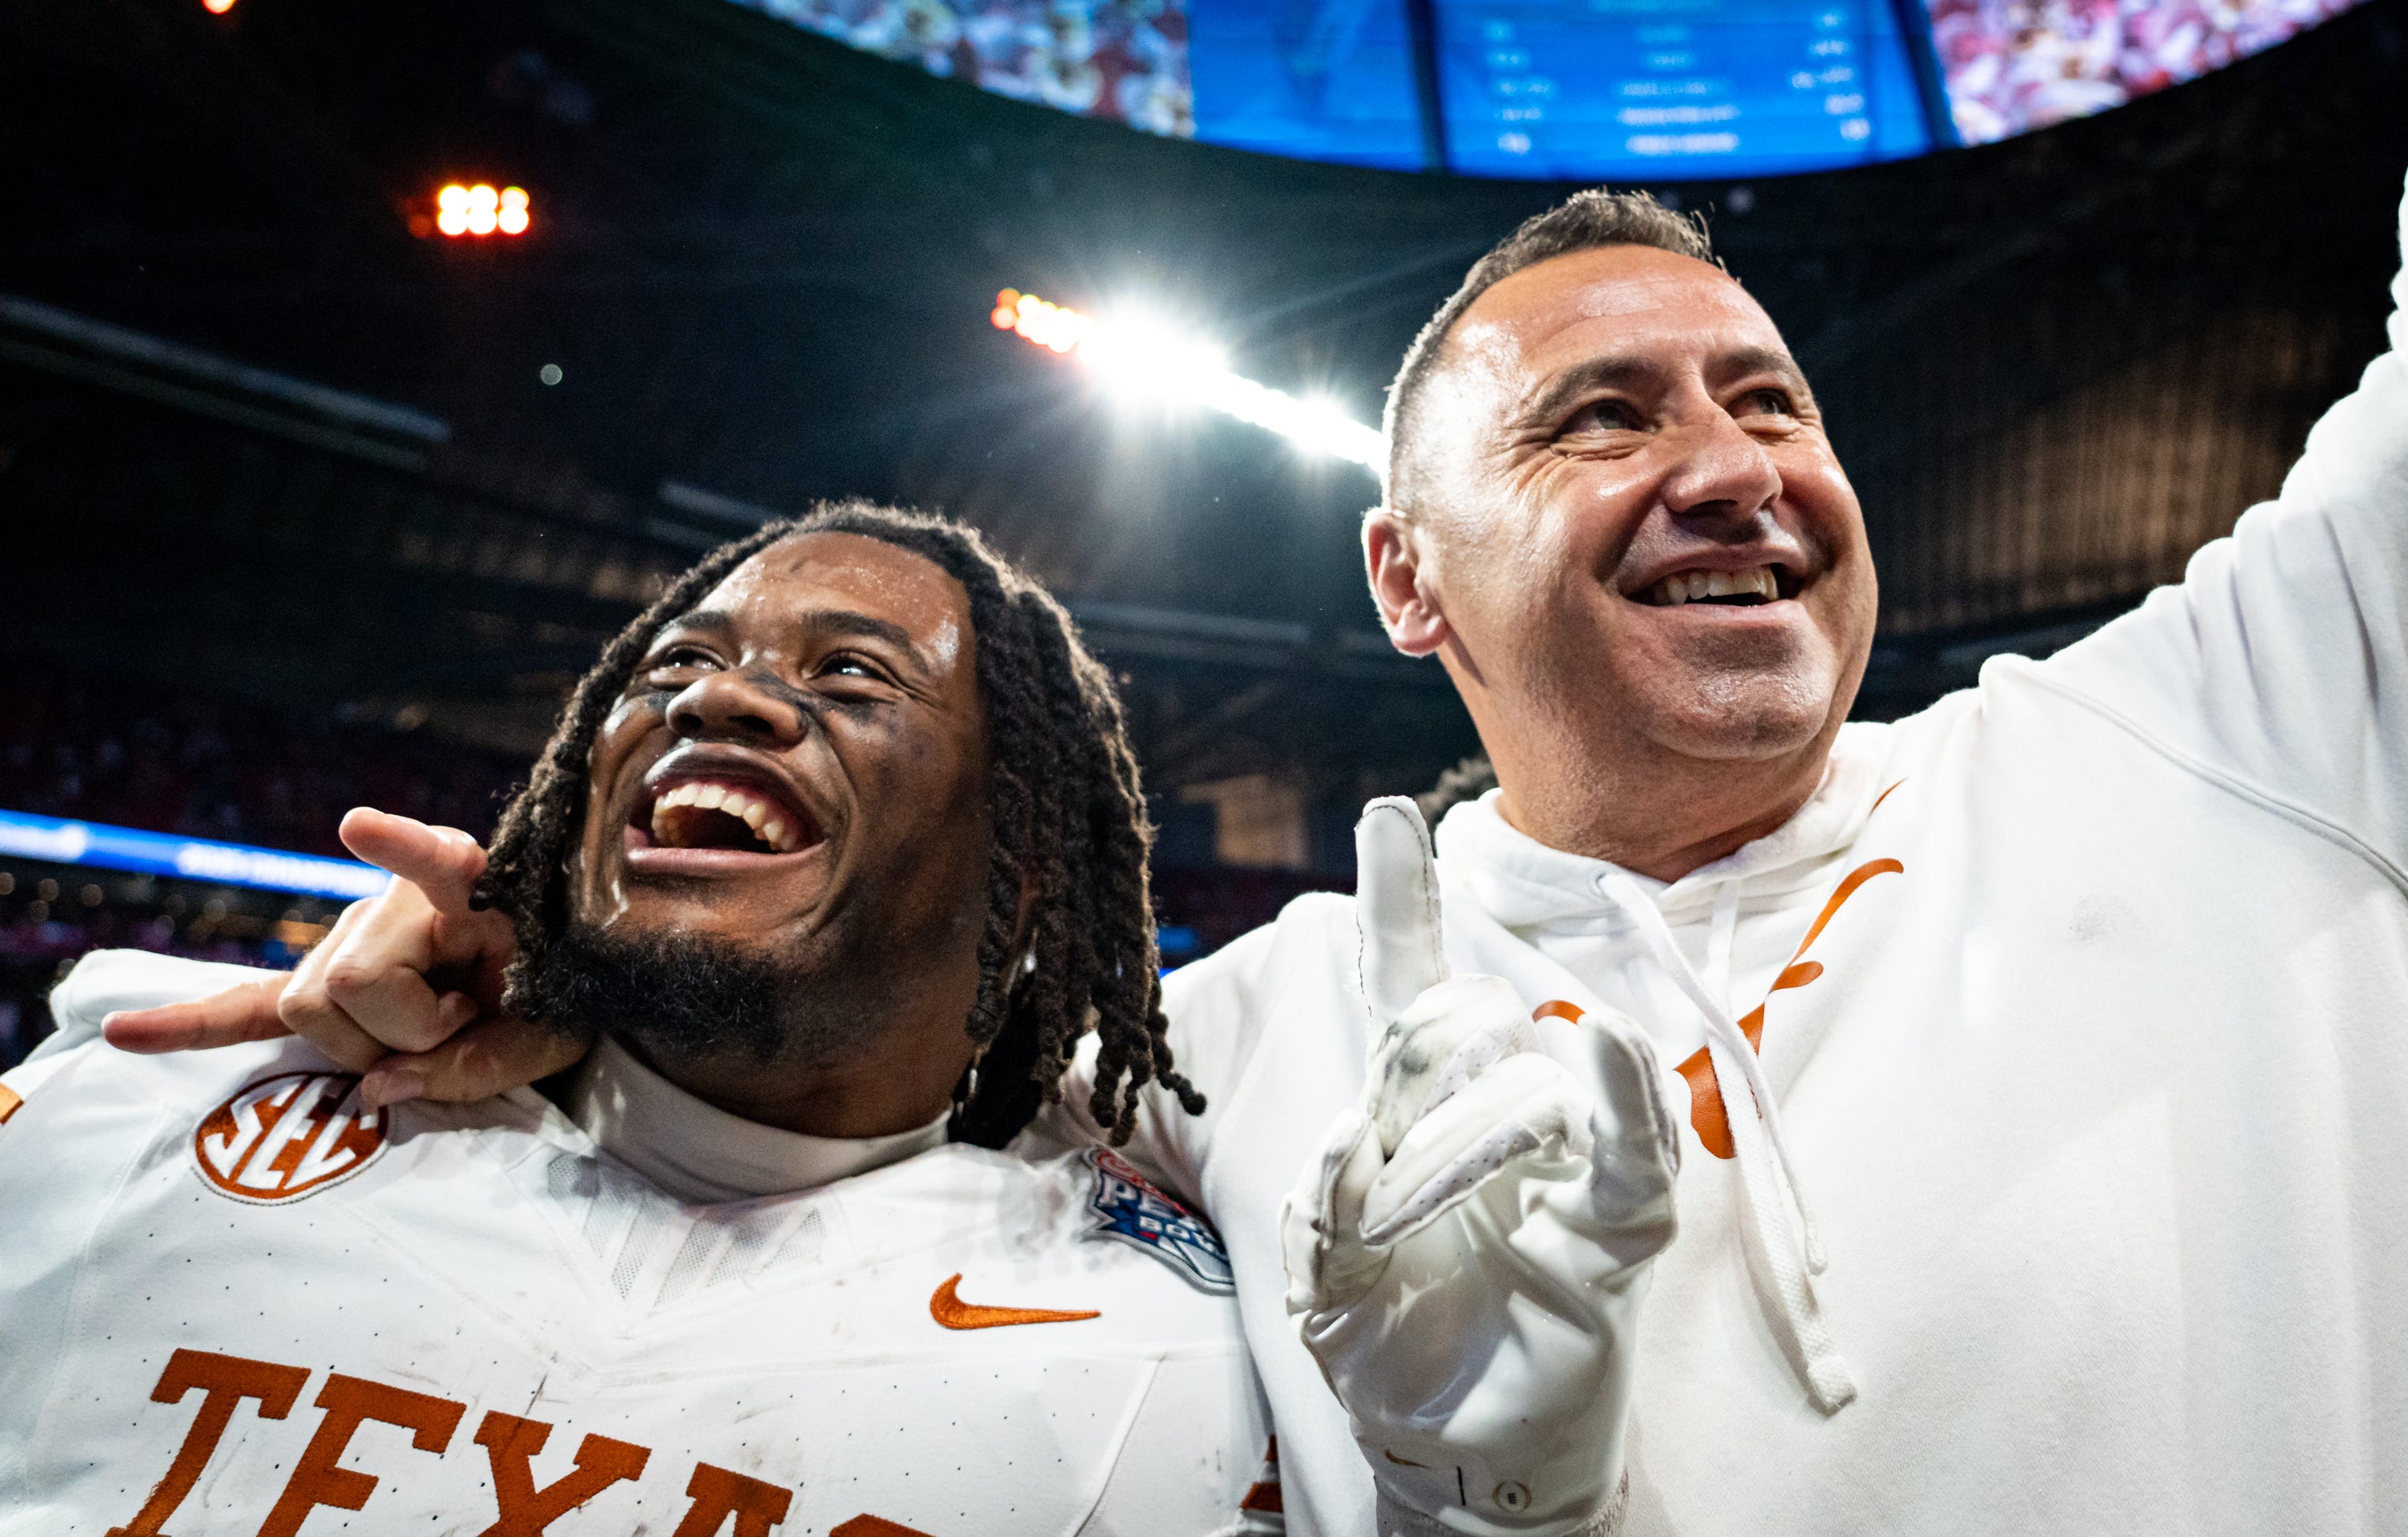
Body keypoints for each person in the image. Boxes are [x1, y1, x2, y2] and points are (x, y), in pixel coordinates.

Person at [69, 168, 2408, 1535]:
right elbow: (803, 1050)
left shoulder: (2248, 717)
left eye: (1769, 400)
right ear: (1407, 583)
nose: (1731, 464)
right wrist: (546, 988)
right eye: (1605, 415)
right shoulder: (1215, 1048)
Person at [0, 504, 1294, 1535]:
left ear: (1025, 868)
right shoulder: (148, 1101)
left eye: (854, 672)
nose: (713, 699)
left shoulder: (1179, 1375)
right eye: (678, 662)